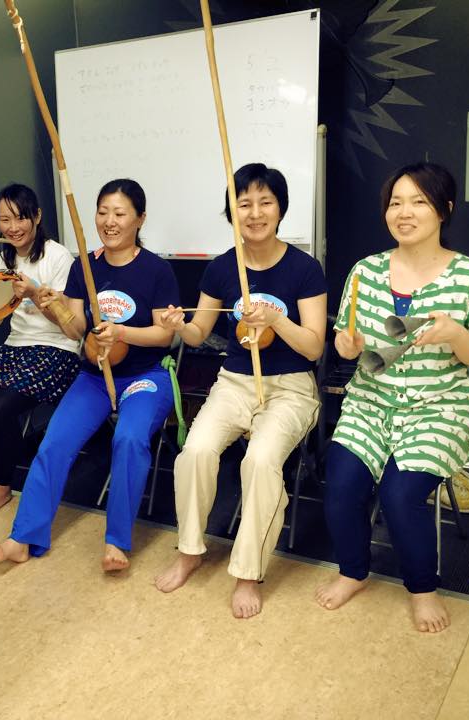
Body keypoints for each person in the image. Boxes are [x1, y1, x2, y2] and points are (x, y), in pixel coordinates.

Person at [314, 162, 469, 633]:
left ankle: (422, 588)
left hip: (439, 407)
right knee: (341, 486)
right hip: (370, 402)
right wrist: (347, 345)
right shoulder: (365, 271)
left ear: (444, 210)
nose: (404, 212)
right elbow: (345, 341)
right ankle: (353, 572)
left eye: (418, 201)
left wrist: (455, 333)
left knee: (400, 497)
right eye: (395, 202)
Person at [152, 163, 326, 618]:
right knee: (195, 451)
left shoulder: (305, 269)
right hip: (234, 382)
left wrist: (276, 320)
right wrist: (178, 325)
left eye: (265, 202)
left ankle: (248, 573)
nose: (255, 212)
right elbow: (198, 333)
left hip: (291, 388)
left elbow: (313, 346)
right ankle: (189, 550)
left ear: (280, 209)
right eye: (244, 204)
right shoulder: (221, 268)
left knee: (261, 461)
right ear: (232, 213)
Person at [0, 178, 179, 571]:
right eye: (103, 212)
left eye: (120, 213)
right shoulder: (85, 267)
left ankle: (117, 542)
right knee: (55, 442)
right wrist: (49, 304)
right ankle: (23, 538)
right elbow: (74, 330)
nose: (109, 221)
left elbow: (165, 335)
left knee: (128, 438)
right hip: (93, 376)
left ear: (140, 219)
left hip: (145, 377)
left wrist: (121, 332)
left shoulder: (156, 270)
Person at [0, 183, 80, 519]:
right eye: (5, 219)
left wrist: (34, 293)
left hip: (57, 349)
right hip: (16, 346)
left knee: (2, 406)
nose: (13, 227)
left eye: (21, 217)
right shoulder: (1, 258)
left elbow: (69, 324)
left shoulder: (58, 257)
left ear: (37, 216)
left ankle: (2, 486)